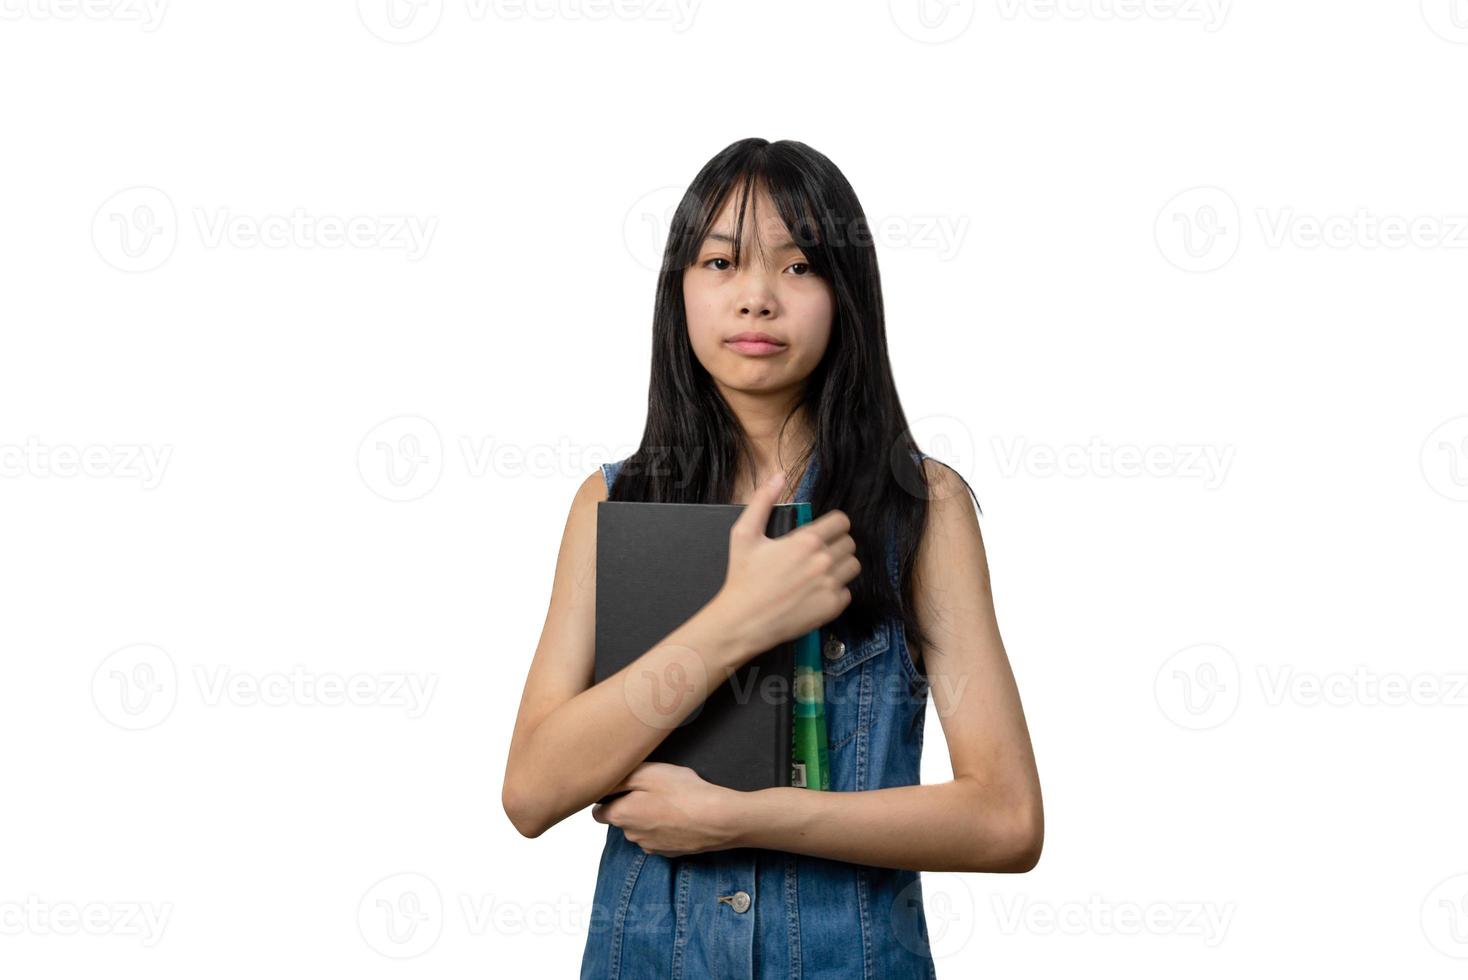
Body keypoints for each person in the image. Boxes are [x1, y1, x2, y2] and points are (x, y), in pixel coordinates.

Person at [501, 137, 1043, 978]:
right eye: (721, 262)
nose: (756, 298)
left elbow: (1007, 820)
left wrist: (741, 818)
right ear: (678, 289)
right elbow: (532, 793)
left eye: (797, 268)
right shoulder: (612, 504)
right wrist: (739, 619)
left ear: (846, 295)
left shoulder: (921, 509)